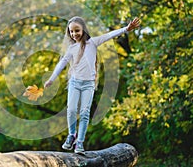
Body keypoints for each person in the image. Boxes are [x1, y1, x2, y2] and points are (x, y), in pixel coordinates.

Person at [44, 16, 141, 153]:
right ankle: (72, 135)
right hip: (74, 83)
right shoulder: (71, 48)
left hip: (88, 84)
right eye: (71, 32)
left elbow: (109, 35)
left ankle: (80, 143)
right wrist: (52, 78)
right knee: (71, 110)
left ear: (83, 29)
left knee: (84, 113)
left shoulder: (93, 43)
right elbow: (62, 63)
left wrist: (126, 29)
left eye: (76, 30)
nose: (74, 34)